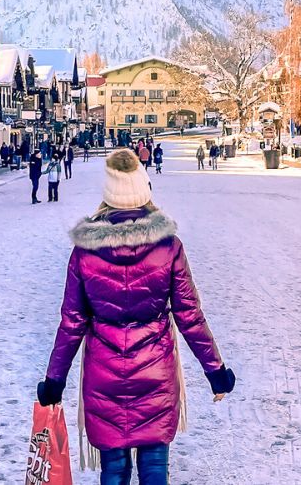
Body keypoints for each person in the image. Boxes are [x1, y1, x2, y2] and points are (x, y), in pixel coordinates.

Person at [37, 150, 234, 484]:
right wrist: (215, 371)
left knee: (113, 470)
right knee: (155, 469)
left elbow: (72, 321)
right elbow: (189, 315)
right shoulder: (168, 246)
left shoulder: (86, 251)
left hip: (104, 376)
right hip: (155, 372)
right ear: (144, 191)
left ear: (108, 196)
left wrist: (54, 382)